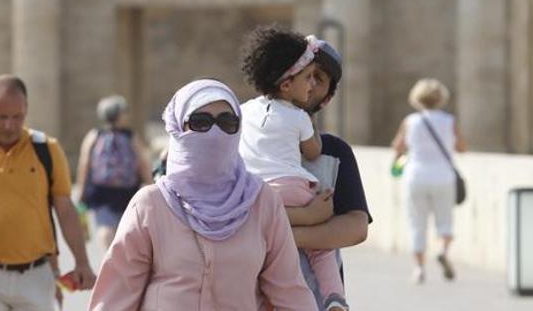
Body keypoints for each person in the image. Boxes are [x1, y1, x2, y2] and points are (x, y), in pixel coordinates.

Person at [88, 79, 316, 310]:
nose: (215, 133)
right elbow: (116, 298)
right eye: (200, 122)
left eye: (227, 123)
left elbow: (290, 293)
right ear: (178, 129)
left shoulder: (262, 202)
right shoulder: (151, 205)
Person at [0, 75, 96, 311]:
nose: (10, 125)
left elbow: (64, 208)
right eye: (1, 117)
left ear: (26, 110)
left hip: (37, 274)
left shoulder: (47, 149)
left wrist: (82, 262)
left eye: (17, 117)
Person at [237, 26, 347, 311]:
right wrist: (309, 217)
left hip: (255, 195)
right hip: (294, 189)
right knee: (321, 251)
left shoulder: (243, 110)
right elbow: (313, 151)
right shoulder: (299, 117)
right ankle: (334, 297)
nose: (311, 85)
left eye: (317, 79)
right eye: (309, 77)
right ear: (287, 85)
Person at [288, 38, 371, 306]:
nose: (308, 84)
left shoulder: (335, 152)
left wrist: (285, 236)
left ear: (328, 97)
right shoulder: (241, 140)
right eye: (302, 74)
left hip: (317, 298)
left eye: (318, 78)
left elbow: (355, 226)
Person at [390, 78, 466, 284]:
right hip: (443, 177)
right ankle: (442, 250)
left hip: (415, 176)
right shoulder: (449, 121)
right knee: (445, 221)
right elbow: (461, 147)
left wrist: (401, 159)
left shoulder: (410, 121)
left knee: (417, 223)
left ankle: (418, 270)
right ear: (441, 98)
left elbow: (397, 146)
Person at [75, 95, 153, 250]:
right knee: (126, 227)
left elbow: (84, 163)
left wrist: (81, 190)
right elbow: (142, 162)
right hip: (127, 191)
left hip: (101, 191)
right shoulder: (130, 136)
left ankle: (108, 256)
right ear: (119, 115)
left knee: (105, 226)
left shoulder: (94, 135)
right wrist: (151, 184)